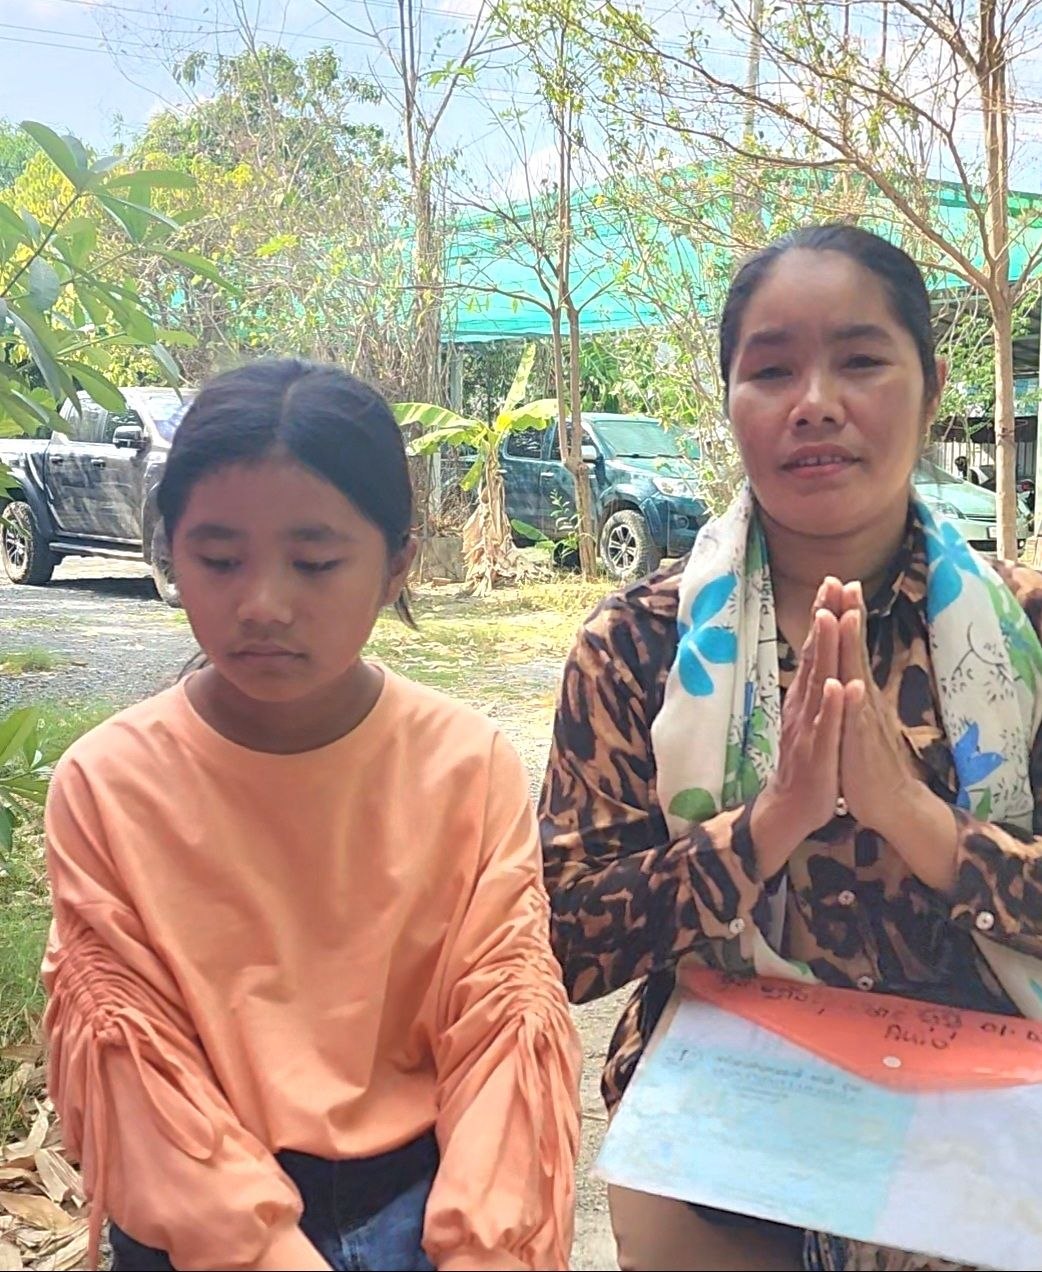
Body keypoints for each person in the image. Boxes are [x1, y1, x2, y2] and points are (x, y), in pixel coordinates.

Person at [540, 225, 1042, 1272]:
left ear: (931, 388)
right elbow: (568, 941)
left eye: (860, 360)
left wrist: (921, 823)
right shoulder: (638, 646)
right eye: (771, 370)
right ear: (729, 401)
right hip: (723, 1149)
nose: (815, 402)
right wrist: (762, 828)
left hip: (990, 1132)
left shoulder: (1025, 639)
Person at [43, 359, 581, 1272]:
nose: (263, 604)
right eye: (219, 560)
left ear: (397, 564)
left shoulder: (467, 766)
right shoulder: (109, 785)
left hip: (425, 1203)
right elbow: (140, 1075)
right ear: (169, 552)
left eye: (316, 562)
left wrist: (484, 1249)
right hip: (200, 1227)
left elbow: (499, 1028)